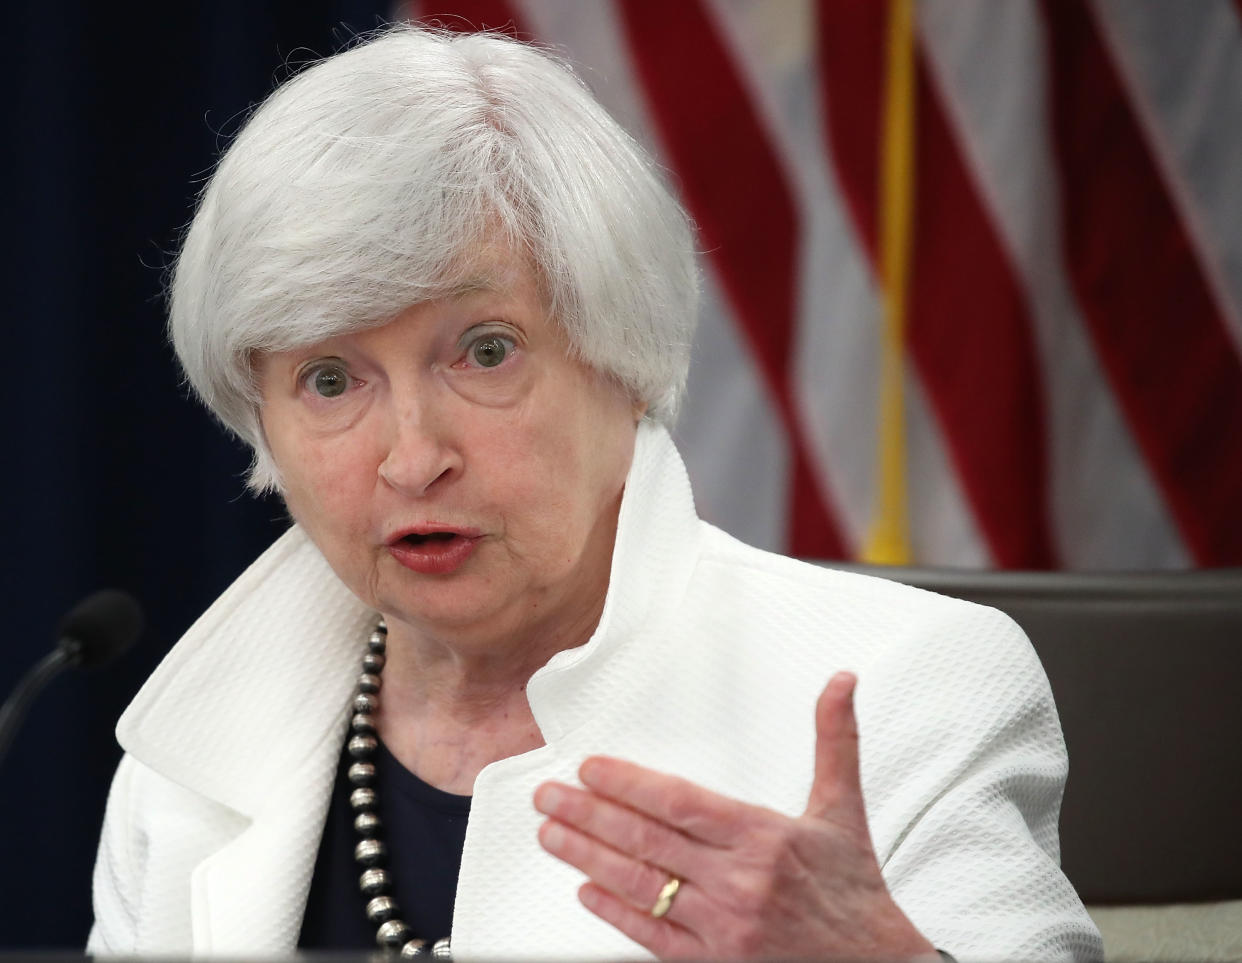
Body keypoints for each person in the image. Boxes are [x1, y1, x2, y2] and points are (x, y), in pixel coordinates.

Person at [88, 25, 1101, 961]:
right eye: (330, 380)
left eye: (485, 353)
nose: (411, 459)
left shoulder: (906, 694)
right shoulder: (191, 756)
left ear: (624, 362)